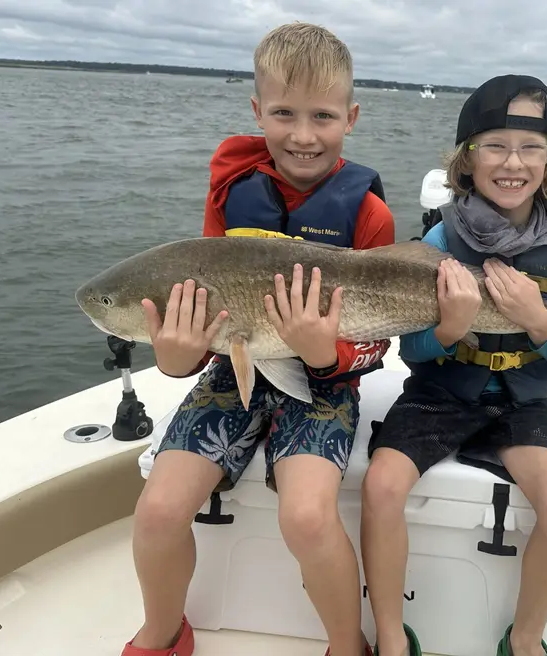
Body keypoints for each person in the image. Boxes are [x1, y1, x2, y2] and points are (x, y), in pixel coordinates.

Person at [121, 22, 394, 656]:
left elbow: (379, 344)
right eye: (284, 113)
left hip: (326, 381)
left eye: (322, 115)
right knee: (158, 510)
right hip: (234, 370)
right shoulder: (230, 196)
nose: (303, 134)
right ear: (257, 111)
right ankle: (163, 633)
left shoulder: (369, 215)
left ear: (351, 117)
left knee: (306, 515)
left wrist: (325, 352)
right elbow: (206, 319)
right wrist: (175, 360)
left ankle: (347, 644)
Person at [360, 74, 547, 656]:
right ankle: (390, 635)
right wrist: (450, 328)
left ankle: (528, 638)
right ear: (467, 159)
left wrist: (540, 321)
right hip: (440, 392)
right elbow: (410, 352)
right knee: (382, 485)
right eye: (495, 145)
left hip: (523, 401)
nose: (513, 162)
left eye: (531, 147)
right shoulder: (437, 243)